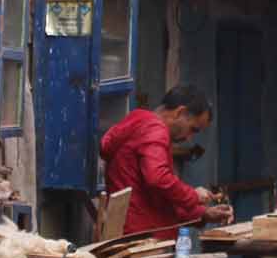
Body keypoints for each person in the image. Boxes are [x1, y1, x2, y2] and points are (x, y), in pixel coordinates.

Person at [99, 86, 234, 236]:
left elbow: (156, 199)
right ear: (180, 112)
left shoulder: (140, 124)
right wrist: (193, 196)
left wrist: (203, 214)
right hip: (140, 240)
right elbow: (157, 178)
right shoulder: (155, 129)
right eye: (193, 129)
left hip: (131, 233)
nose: (189, 138)